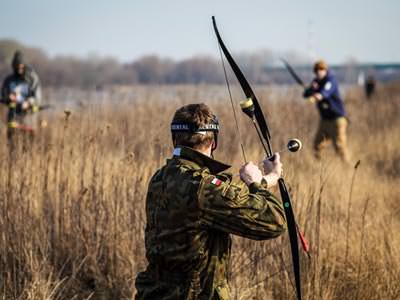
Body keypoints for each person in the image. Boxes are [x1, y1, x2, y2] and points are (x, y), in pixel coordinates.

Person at [135, 103, 287, 299]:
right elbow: (274, 222)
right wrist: (257, 184)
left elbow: (215, 198)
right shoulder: (203, 187)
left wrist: (266, 180)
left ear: (175, 140)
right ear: (213, 142)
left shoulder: (161, 177)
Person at [303, 60, 349, 162]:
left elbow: (325, 93)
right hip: (324, 120)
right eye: (316, 70)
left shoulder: (331, 81)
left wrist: (318, 94)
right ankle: (320, 167)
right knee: (317, 145)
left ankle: (348, 168)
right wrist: (311, 89)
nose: (319, 72)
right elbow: (305, 94)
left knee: (339, 146)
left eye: (321, 69)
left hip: (337, 119)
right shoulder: (316, 82)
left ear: (325, 70)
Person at [1, 50, 42, 140]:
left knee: (29, 149)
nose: (19, 70)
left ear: (25, 65)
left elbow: (38, 98)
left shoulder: (32, 78)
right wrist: (8, 98)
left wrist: (28, 102)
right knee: (13, 149)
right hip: (13, 121)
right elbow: (3, 96)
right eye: (17, 67)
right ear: (13, 66)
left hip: (29, 121)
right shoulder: (9, 80)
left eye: (21, 67)